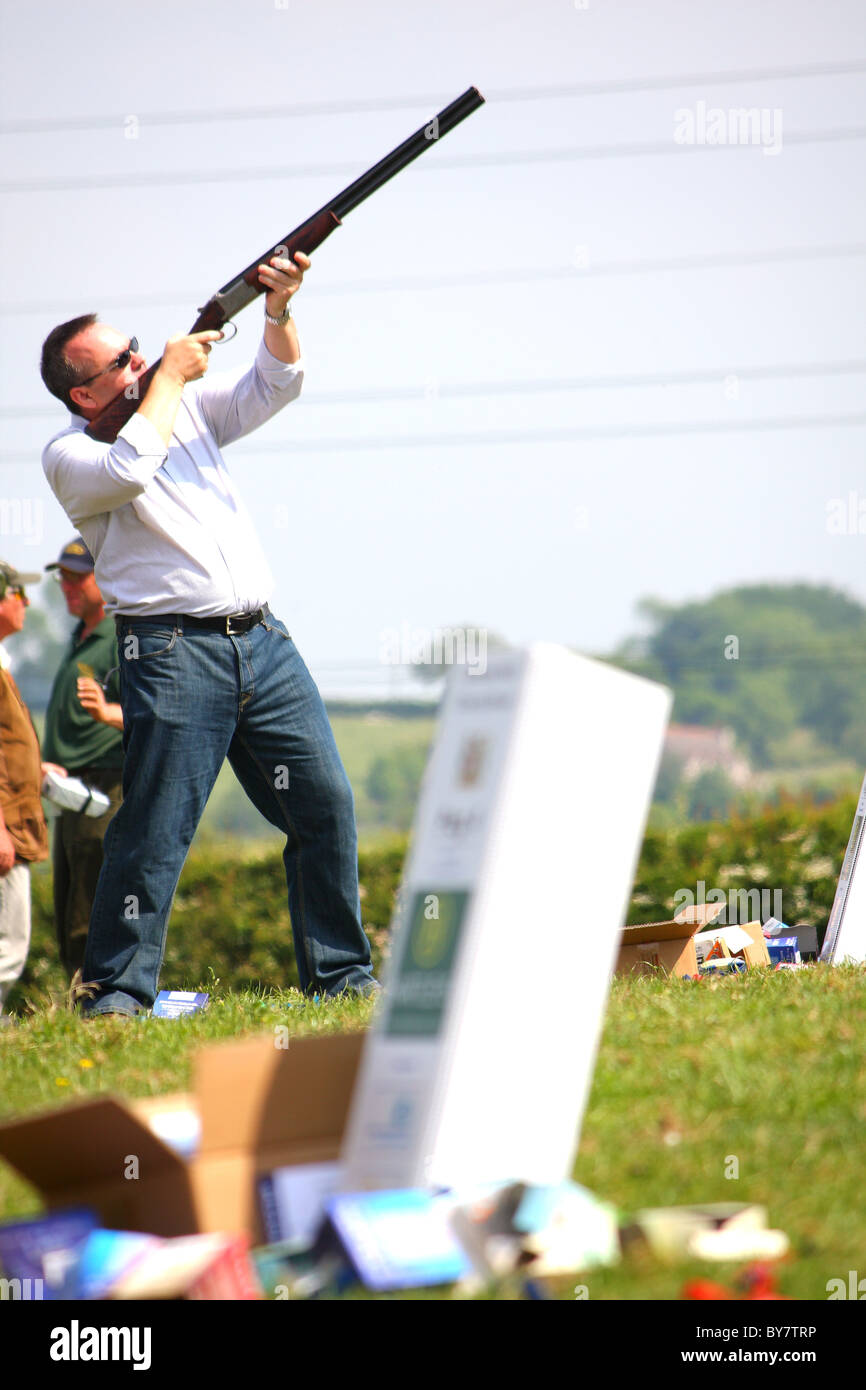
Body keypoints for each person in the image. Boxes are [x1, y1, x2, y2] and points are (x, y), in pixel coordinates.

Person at [40, 250, 377, 1017]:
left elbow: (276, 385)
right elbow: (130, 469)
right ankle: (116, 996)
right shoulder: (70, 453)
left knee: (323, 805)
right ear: (83, 392)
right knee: (156, 828)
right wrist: (167, 379)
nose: (141, 357)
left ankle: (341, 979)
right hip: (171, 651)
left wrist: (278, 312)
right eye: (121, 359)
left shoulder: (178, 403)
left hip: (262, 641)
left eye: (137, 349)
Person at [42, 537, 124, 983]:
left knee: (88, 912)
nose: (68, 585)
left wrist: (106, 713)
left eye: (79, 576)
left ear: (105, 577)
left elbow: (158, 715)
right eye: (64, 577)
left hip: (105, 788)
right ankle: (81, 1003)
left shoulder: (119, 635)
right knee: (68, 904)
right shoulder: (83, 635)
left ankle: (96, 1004)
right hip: (73, 792)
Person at [0, 562, 50, 1019]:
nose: (26, 602)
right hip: (4, 827)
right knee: (8, 949)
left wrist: (36, 768)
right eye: (17, 592)